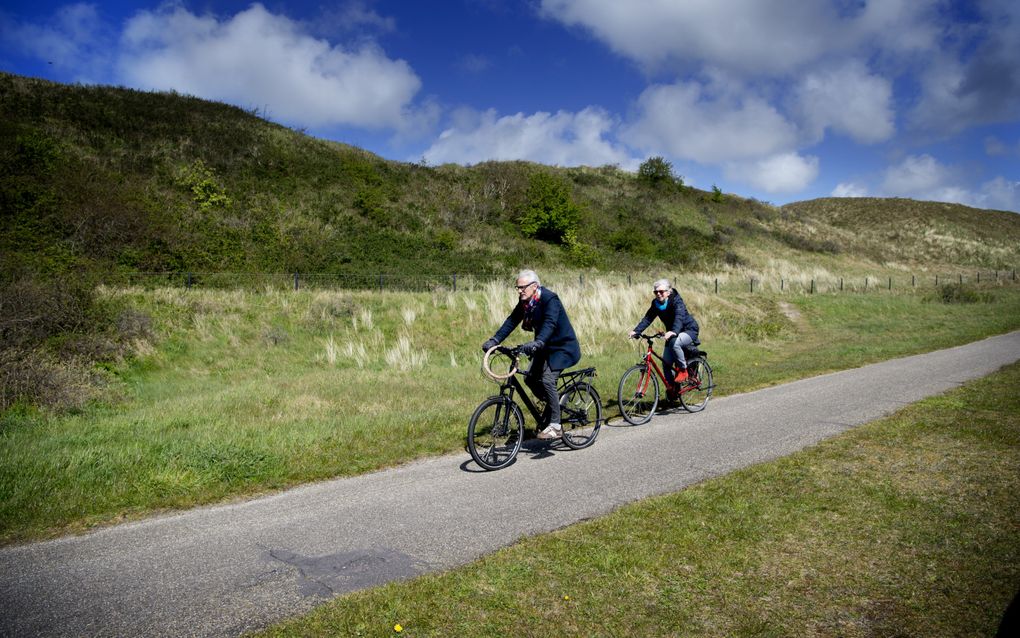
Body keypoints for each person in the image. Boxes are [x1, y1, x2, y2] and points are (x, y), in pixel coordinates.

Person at [482, 269, 582, 440]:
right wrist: (495, 340)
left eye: (522, 287)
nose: (519, 291)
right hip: (543, 346)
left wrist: (538, 342)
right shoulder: (526, 302)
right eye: (517, 288)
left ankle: (556, 426)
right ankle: (553, 405)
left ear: (534, 286)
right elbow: (512, 320)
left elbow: (550, 323)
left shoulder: (550, 299)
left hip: (562, 347)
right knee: (529, 378)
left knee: (548, 379)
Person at [629, 278, 700, 384]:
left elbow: (679, 317)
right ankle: (672, 389)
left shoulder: (676, 300)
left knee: (675, 344)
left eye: (661, 291)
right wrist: (636, 331)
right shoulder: (656, 304)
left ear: (668, 292)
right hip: (672, 333)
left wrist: (674, 331)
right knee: (666, 363)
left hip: (688, 330)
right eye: (655, 292)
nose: (658, 294)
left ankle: (683, 370)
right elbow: (648, 318)